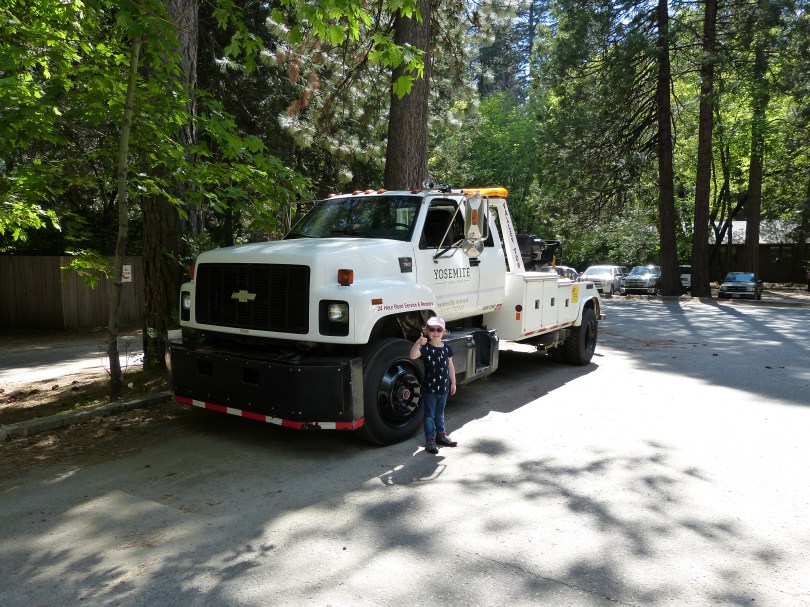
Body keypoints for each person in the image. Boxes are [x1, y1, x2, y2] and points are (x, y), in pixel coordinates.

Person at [409, 316, 458, 454]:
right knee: (429, 415)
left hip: (443, 388)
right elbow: (412, 356)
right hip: (430, 389)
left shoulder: (447, 348)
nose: (435, 332)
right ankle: (430, 439)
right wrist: (418, 342)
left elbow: (450, 366)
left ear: (444, 331)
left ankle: (441, 436)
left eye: (438, 329)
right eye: (432, 329)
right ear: (427, 331)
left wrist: (453, 382)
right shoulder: (425, 348)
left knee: (440, 414)